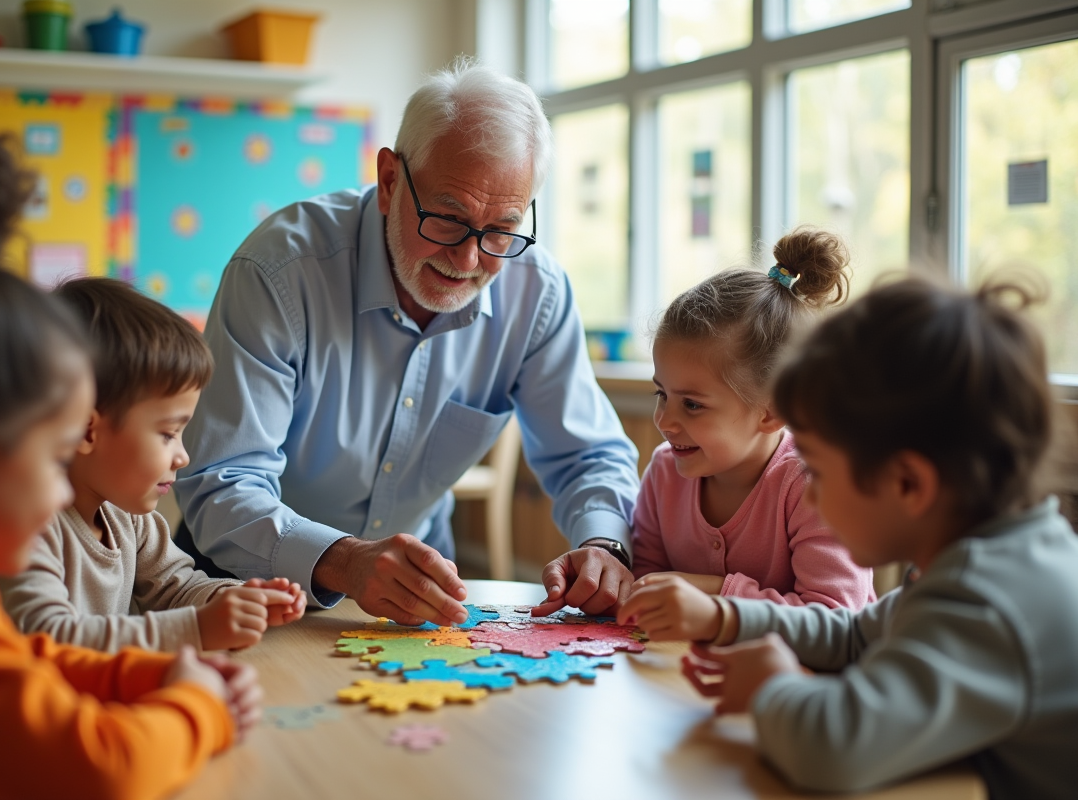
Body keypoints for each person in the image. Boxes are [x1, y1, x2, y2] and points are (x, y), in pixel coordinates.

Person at [174, 58, 640, 626]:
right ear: (390, 181)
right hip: (241, 587)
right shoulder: (278, 271)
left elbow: (589, 456)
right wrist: (345, 561)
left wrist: (604, 545)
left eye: (501, 230)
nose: (468, 259)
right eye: (447, 218)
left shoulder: (536, 292)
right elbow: (221, 483)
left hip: (417, 600)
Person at [0, 135, 260, 799]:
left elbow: (30, 660)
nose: (62, 491)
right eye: (56, 459)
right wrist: (198, 708)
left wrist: (155, 676)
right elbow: (103, 770)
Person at [622, 277, 1078, 798]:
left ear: (908, 485)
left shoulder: (987, 605)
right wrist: (725, 617)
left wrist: (772, 687)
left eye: (817, 471)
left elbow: (832, 750)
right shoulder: (997, 562)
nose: (811, 496)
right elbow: (857, 636)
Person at [0, 278, 306, 653]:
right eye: (167, 434)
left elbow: (178, 588)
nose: (183, 456)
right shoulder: (27, 529)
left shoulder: (127, 517)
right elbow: (51, 638)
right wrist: (197, 628)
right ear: (87, 430)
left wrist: (239, 600)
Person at [610, 229, 874, 637]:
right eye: (661, 394)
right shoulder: (665, 471)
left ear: (772, 413)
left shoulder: (814, 486)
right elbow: (646, 583)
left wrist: (715, 593)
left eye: (692, 404)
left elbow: (837, 620)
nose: (664, 421)